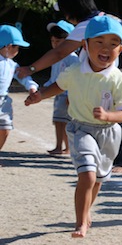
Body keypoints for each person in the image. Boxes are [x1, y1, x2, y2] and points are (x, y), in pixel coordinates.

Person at [17, 0, 122, 173]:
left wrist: (31, 68)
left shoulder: (89, 24)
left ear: (70, 11)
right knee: (116, 109)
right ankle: (117, 157)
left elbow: (60, 52)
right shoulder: (100, 18)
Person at [24, 16, 122, 236]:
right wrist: (40, 96)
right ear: (85, 45)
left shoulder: (118, 79)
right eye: (99, 42)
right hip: (81, 129)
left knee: (98, 179)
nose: (106, 48)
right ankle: (80, 222)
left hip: (109, 134)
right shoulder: (75, 71)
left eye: (113, 44)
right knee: (88, 175)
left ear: (120, 49)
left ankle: (86, 212)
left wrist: (108, 115)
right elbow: (57, 85)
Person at [0, 25, 38, 155]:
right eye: (17, 47)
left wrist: (32, 87)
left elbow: (24, 77)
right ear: (7, 46)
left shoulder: (12, 65)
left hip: (4, 102)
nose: (18, 51)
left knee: (5, 128)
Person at [44, 20, 79, 155]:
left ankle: (66, 147)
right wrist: (46, 88)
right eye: (53, 41)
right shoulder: (55, 58)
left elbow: (75, 79)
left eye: (58, 41)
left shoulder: (73, 58)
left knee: (65, 122)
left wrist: (71, 94)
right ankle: (61, 146)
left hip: (67, 95)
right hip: (58, 94)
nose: (54, 44)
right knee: (58, 121)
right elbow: (54, 78)